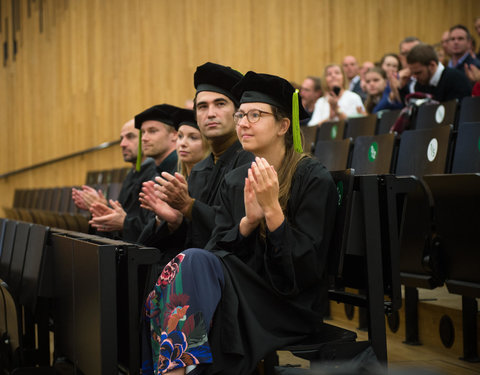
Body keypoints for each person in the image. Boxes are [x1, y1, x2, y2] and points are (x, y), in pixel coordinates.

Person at [142, 71, 337, 375]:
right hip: (244, 293)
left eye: (255, 115)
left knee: (191, 268)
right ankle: (175, 370)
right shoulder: (236, 180)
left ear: (283, 125)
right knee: (188, 264)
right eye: (241, 115)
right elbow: (217, 250)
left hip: (286, 305)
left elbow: (305, 270)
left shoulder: (311, 178)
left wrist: (273, 212)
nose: (243, 123)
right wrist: (247, 223)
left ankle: (173, 371)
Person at [137, 62, 254, 254]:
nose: (210, 114)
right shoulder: (199, 170)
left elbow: (236, 232)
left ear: (238, 113)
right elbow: (191, 240)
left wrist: (189, 206)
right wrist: (175, 221)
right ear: (196, 117)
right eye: (202, 107)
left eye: (220, 104)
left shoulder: (250, 162)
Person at [88, 105, 179, 238]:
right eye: (143, 132)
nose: (144, 138)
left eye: (152, 131)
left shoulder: (175, 172)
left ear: (175, 135)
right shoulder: (139, 173)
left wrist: (124, 223)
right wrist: (103, 208)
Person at [72, 119, 157, 242]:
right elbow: (122, 217)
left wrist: (121, 221)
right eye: (121, 138)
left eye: (130, 137)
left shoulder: (154, 175)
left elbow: (147, 228)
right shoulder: (131, 175)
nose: (122, 144)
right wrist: (101, 207)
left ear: (144, 139)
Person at [406, 43, 472, 102]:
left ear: (432, 65)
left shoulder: (456, 79)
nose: (414, 77)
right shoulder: (419, 85)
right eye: (413, 73)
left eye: (418, 73)